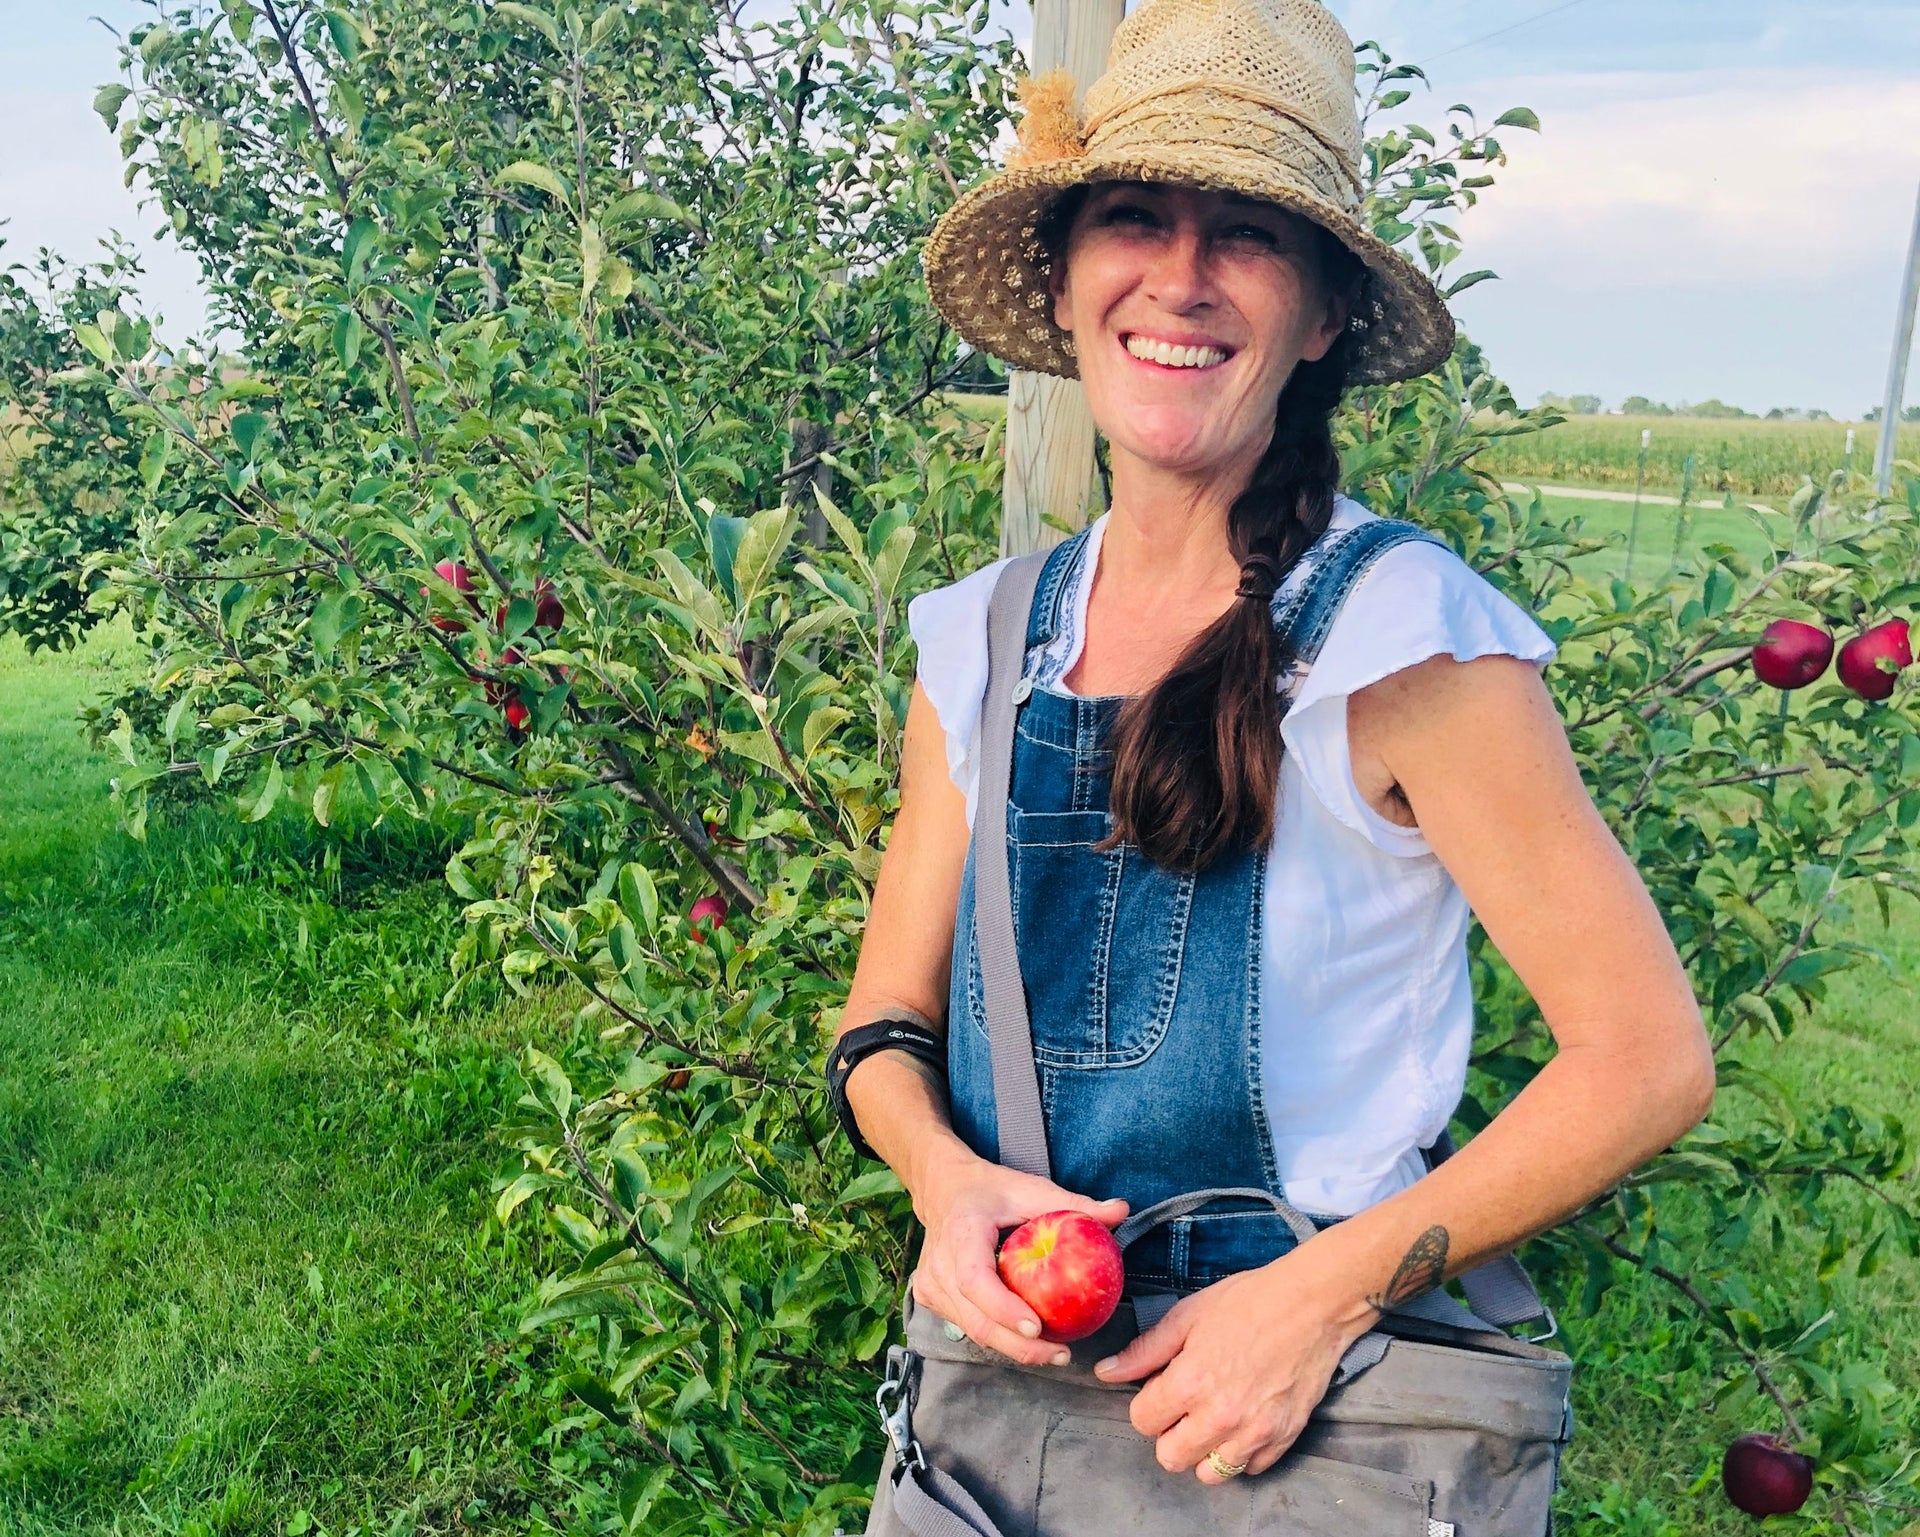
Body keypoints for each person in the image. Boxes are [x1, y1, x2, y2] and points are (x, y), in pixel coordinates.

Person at [829, 0, 1715, 1525]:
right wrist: (944, 1181)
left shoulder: (1407, 645)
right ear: (1066, 275)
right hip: (1002, 1405)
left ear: (1317, 317)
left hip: (1314, 1431)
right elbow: (885, 1021)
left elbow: (1645, 1062)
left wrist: (1310, 1303)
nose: (1178, 275)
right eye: (1134, 217)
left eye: (1245, 233)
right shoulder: (981, 642)